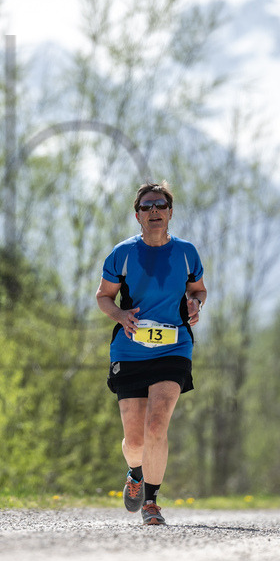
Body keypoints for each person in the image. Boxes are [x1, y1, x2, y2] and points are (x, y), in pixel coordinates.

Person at [95, 181, 206, 526]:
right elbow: (103, 297)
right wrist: (120, 315)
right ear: (137, 215)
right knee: (135, 442)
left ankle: (152, 503)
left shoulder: (186, 252)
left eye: (160, 205)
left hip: (174, 347)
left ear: (170, 213)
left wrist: (195, 303)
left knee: (157, 426)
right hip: (130, 351)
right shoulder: (123, 253)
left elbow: (198, 290)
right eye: (147, 206)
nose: (154, 211)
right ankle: (135, 472)